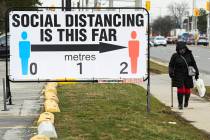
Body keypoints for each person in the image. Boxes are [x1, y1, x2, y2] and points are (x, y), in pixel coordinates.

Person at [169, 42, 199, 110]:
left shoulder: (189, 54)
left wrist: (197, 73)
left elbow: (194, 63)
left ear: (185, 48)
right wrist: (170, 72)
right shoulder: (175, 56)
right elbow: (171, 65)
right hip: (178, 74)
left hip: (188, 74)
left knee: (187, 89)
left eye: (182, 49)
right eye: (180, 49)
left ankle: (186, 101)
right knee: (180, 88)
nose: (181, 51)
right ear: (177, 49)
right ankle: (180, 104)